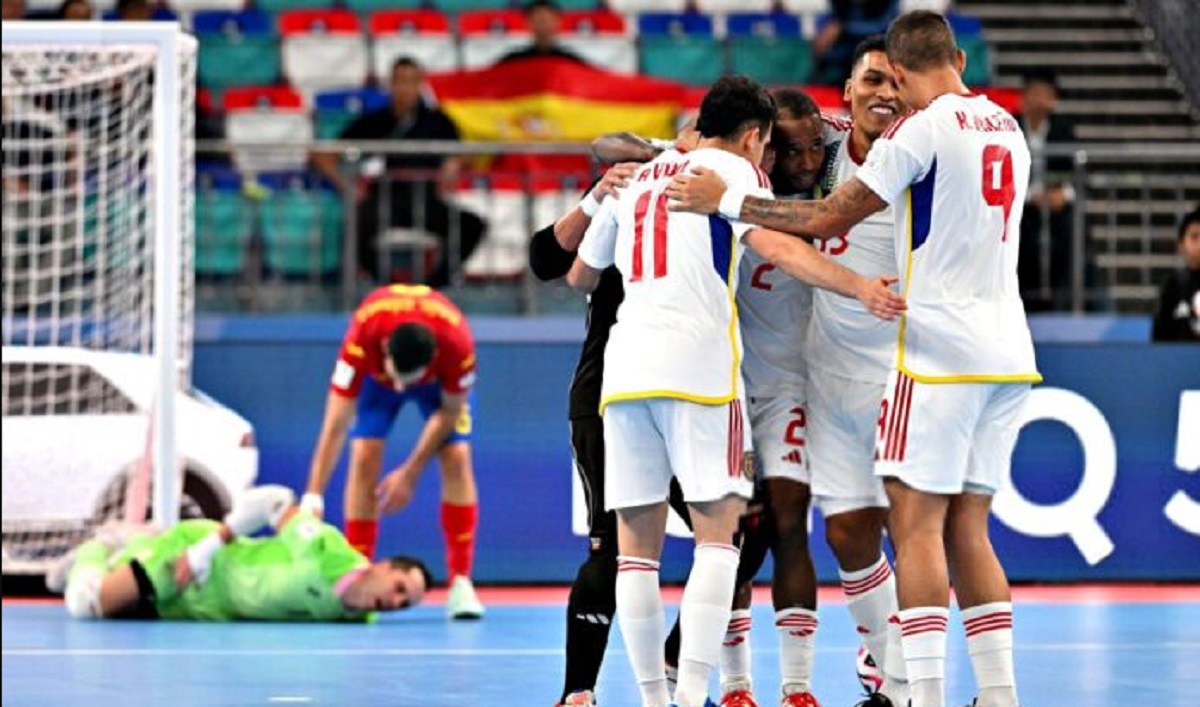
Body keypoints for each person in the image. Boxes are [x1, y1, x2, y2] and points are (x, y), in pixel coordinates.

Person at [668, 12, 1038, 707]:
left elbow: (829, 216)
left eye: (887, 79)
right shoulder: (1006, 127)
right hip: (1005, 351)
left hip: (929, 356)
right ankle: (997, 694)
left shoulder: (916, 133)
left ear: (900, 74)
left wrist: (730, 200)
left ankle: (911, 690)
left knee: (918, 526)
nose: (884, 95)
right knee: (962, 527)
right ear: (958, 55)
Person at [568, 76, 903, 707]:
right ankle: (695, 691)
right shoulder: (733, 173)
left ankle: (654, 700)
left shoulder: (642, 175)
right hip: (698, 372)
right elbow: (776, 243)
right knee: (719, 539)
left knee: (635, 553)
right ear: (754, 136)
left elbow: (582, 274)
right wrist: (858, 286)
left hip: (624, 372)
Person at [530, 138, 700, 707]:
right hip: (611, 391)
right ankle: (578, 692)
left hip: (698, 390)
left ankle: (678, 660)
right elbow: (547, 261)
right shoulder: (631, 191)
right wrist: (600, 192)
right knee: (610, 545)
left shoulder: (722, 186)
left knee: (737, 537)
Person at [303, 283, 485, 620]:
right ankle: (360, 571)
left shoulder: (457, 344)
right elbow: (336, 422)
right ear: (386, 348)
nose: (401, 389)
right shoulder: (363, 333)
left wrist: (410, 472)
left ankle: (461, 581)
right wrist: (313, 495)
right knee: (364, 457)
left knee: (457, 458)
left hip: (437, 390)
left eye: (407, 381)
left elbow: (449, 412)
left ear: (432, 360)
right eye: (397, 378)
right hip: (376, 383)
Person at [48, 485, 432, 622]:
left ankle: (132, 545)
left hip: (204, 610)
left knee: (126, 614)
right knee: (88, 604)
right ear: (382, 566)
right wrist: (204, 550)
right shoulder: (326, 551)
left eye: (404, 604)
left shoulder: (357, 618)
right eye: (400, 587)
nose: (394, 602)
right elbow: (272, 501)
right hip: (196, 564)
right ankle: (99, 546)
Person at [312, 57, 485, 288]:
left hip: (425, 200)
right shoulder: (373, 122)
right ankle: (389, 287)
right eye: (399, 81)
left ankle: (431, 287)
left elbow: (467, 154)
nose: (405, 87)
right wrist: (347, 185)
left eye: (411, 81)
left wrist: (455, 161)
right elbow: (323, 156)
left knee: (473, 225)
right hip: (384, 200)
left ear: (420, 85)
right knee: (354, 224)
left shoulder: (437, 121)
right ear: (390, 84)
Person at [1015, 69, 1077, 310]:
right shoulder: (1010, 126)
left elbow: (1077, 173)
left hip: (1055, 205)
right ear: (1025, 95)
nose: (1040, 99)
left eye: (1046, 94)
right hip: (1020, 203)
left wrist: (1063, 194)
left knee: (1072, 231)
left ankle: (1064, 301)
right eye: (1035, 93)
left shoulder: (1064, 130)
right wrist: (1030, 195)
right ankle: (1024, 299)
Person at [812, 0, 898, 86]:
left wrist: (842, 27)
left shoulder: (887, 10)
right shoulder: (837, 9)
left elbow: (881, 26)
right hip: (843, 74)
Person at [1152, 206, 1200, 342]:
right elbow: (1159, 339)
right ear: (1181, 244)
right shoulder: (1172, 286)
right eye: (1194, 237)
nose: (1199, 244)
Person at [495, 0, 587, 65]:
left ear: (558, 22)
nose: (543, 24)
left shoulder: (571, 61)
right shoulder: (513, 61)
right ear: (528, 22)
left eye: (547, 19)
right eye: (539, 19)